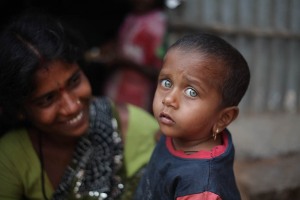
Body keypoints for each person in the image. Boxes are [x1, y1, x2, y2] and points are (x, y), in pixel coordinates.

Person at [0, 11, 159, 200]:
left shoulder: (137, 129)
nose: (72, 107)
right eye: (47, 99)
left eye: (74, 81)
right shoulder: (11, 157)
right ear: (19, 110)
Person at [134, 33, 251, 200]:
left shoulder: (200, 188)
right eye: (166, 82)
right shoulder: (181, 130)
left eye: (191, 92)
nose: (168, 99)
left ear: (223, 118)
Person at [90, 0, 167, 112]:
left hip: (138, 97)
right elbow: (125, 44)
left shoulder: (158, 24)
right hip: (115, 89)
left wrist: (124, 62)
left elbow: (159, 72)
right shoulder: (131, 17)